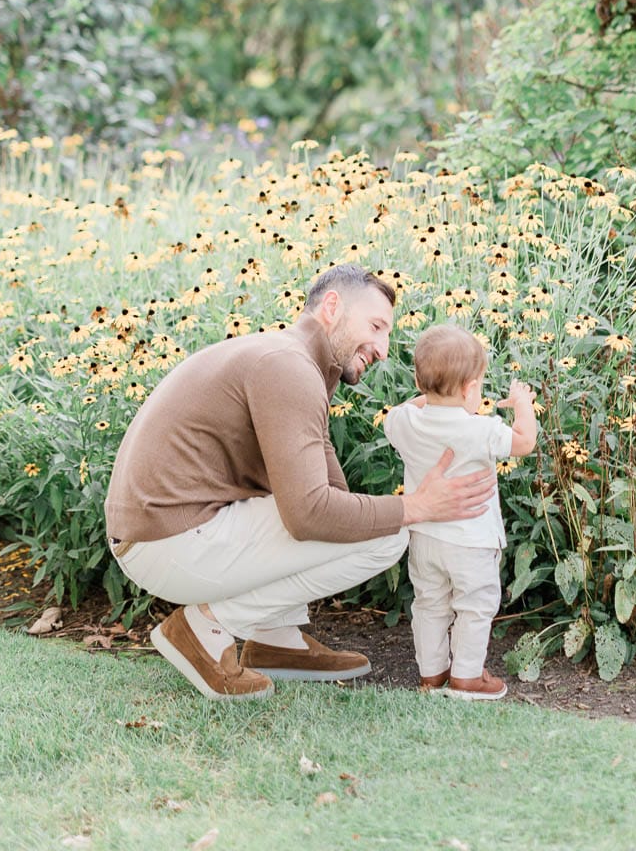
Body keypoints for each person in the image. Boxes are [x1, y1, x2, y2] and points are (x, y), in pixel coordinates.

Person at [104, 264, 495, 701]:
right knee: (388, 536)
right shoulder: (287, 368)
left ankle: (277, 640)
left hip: (165, 536)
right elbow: (310, 514)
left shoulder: (294, 362)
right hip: (169, 540)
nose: (384, 349)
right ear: (332, 307)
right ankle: (204, 629)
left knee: (352, 520)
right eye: (376, 326)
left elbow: (333, 500)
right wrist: (417, 507)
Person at [382, 324, 537, 700]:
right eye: (479, 386)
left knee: (430, 604)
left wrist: (430, 396)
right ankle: (467, 676)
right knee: (474, 605)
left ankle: (432, 675)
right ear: (470, 389)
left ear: (419, 381)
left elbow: (401, 410)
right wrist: (523, 405)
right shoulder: (480, 429)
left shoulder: (404, 423)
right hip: (472, 542)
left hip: (426, 538)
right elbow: (525, 442)